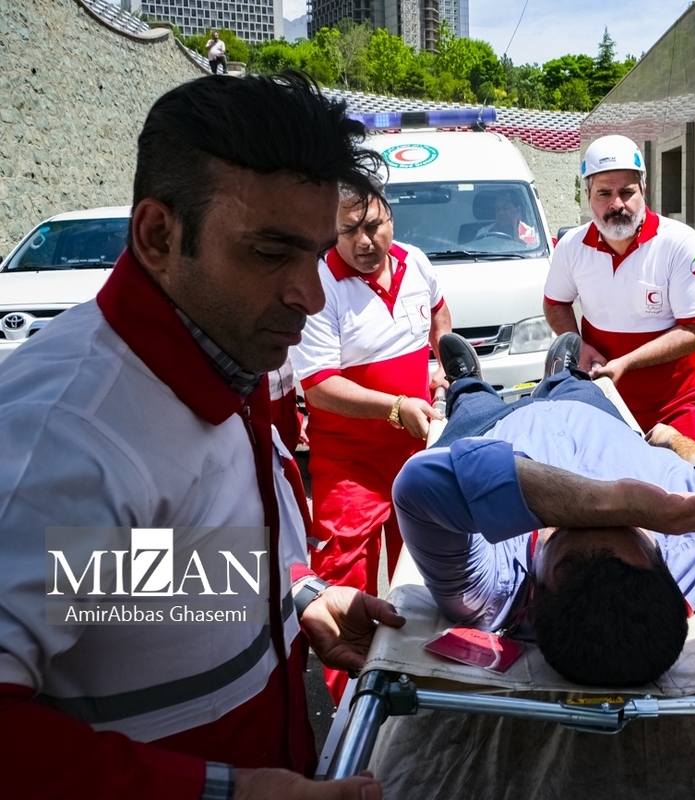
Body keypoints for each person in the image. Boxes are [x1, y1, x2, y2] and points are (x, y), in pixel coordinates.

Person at [0, 73, 406, 799]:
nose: (311, 296)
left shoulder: (221, 354)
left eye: (315, 254)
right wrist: (231, 791)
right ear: (159, 234)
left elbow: (117, 572)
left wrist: (296, 598)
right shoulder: (56, 434)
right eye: (270, 252)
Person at [391, 332, 695, 686]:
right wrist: (672, 438)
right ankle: (563, 375)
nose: (599, 518)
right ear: (664, 568)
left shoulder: (489, 592)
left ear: (534, 594)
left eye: (566, 529)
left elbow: (418, 485)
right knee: (578, 383)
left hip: (490, 428)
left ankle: (468, 383)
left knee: (471, 401)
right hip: (591, 414)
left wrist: (618, 503)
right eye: (629, 526)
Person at [291, 190, 451, 702]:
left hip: (415, 451)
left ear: (391, 218)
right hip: (350, 463)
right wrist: (393, 406)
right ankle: (352, 710)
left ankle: (428, 689)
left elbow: (440, 318)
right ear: (329, 231)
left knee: (429, 573)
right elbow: (317, 384)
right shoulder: (320, 282)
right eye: (349, 231)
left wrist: (438, 367)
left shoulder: (415, 261)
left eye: (375, 226)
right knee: (344, 579)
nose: (365, 241)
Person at [543, 135, 695, 448]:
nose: (616, 204)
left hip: (678, 405)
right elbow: (556, 304)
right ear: (587, 195)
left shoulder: (680, 244)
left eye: (627, 192)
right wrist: (580, 346)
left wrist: (626, 362)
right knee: (608, 494)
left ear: (644, 191)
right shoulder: (571, 247)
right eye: (604, 193)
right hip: (603, 401)